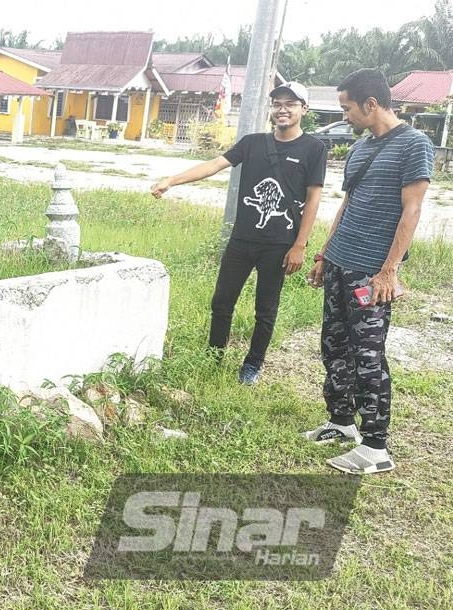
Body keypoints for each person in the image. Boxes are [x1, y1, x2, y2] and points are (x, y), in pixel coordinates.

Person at [150, 82, 328, 384]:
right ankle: (214, 355)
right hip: (242, 240)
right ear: (271, 109)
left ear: (304, 110)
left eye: (291, 104)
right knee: (222, 301)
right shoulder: (252, 142)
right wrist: (172, 180)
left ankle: (253, 364)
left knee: (265, 308)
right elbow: (215, 165)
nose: (282, 109)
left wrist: (300, 245)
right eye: (277, 104)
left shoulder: (314, 148)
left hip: (280, 243)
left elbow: (313, 198)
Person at [304, 69, 434, 474]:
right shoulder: (361, 147)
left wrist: (388, 272)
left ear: (371, 104)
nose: (345, 116)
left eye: (347, 108)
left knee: (368, 356)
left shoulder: (415, 145)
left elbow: (411, 211)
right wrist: (325, 254)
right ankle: (341, 422)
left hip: (371, 271)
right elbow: (347, 207)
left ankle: (376, 446)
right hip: (341, 261)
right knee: (334, 345)